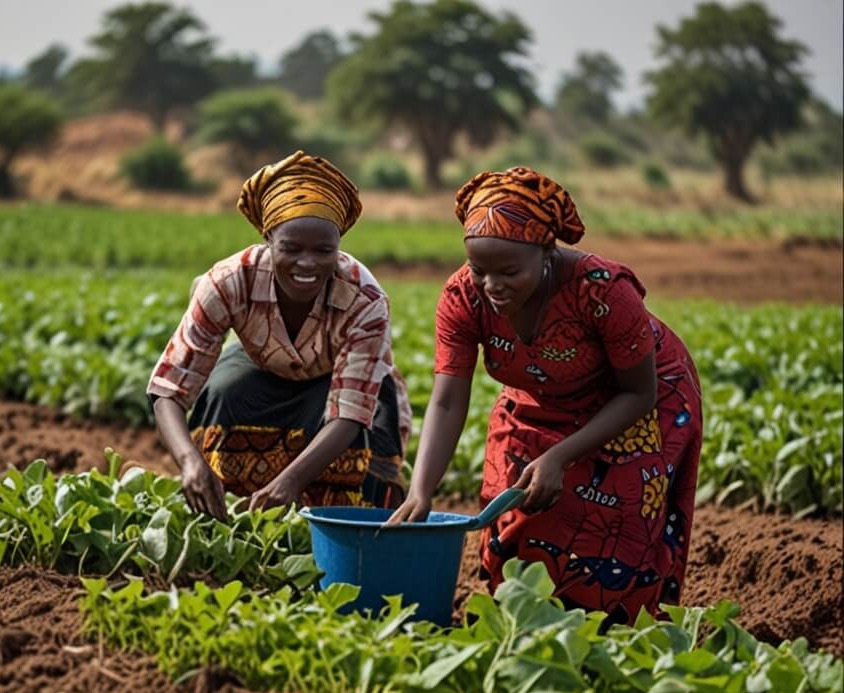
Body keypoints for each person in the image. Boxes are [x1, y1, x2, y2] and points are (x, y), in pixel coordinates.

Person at [388, 166, 703, 624]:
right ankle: (522, 619)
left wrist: (559, 456)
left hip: (638, 397)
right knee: (513, 509)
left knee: (613, 526)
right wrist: (420, 490)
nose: (492, 286)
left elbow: (639, 392)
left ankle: (611, 632)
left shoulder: (602, 291)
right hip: (539, 393)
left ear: (546, 253)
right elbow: (447, 399)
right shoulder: (463, 298)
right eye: (479, 270)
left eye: (510, 272)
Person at [147, 151, 411, 520]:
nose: (308, 263)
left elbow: (350, 413)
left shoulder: (364, 299)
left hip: (338, 388)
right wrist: (190, 461)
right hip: (263, 371)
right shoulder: (227, 282)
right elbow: (169, 389)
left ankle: (336, 530)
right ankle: (226, 512)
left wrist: (291, 481)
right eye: (291, 248)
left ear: (339, 245)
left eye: (324, 250)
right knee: (223, 393)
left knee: (365, 439)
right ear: (268, 238)